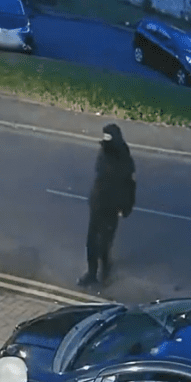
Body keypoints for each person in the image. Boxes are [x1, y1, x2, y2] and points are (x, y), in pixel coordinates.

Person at [77, 123, 136, 288]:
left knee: (104, 242)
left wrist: (125, 207)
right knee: (92, 240)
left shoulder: (123, 158)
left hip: (111, 204)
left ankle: (105, 273)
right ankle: (92, 273)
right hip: (99, 202)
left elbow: (129, 185)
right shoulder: (105, 151)